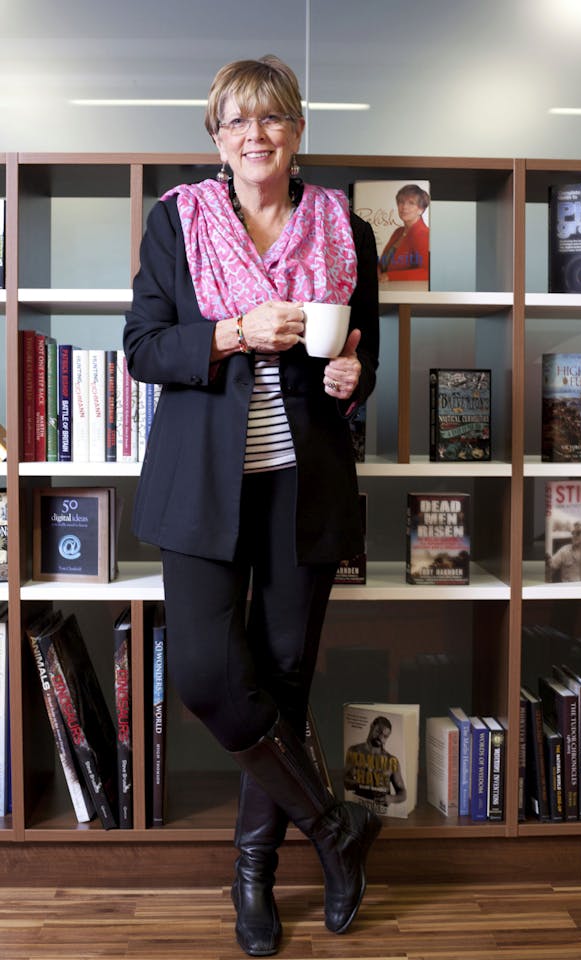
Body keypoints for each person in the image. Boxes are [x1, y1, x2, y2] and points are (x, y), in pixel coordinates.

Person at [123, 55, 380, 958]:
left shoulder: (345, 228)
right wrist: (235, 331)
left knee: (282, 685)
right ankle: (338, 831)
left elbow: (363, 353)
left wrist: (354, 376)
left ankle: (254, 876)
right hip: (200, 487)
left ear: (298, 130)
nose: (255, 136)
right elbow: (143, 348)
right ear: (218, 138)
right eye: (236, 122)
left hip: (303, 489)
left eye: (271, 119)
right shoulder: (176, 223)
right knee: (205, 674)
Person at [343, 716, 407, 812]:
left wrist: (390, 798)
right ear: (371, 726)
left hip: (381, 814)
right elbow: (345, 781)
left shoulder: (391, 761)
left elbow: (402, 793)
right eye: (378, 731)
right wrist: (360, 783)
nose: (380, 737)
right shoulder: (354, 751)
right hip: (358, 810)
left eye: (385, 736)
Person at [378, 183, 430, 283]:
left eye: (411, 203)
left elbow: (427, 272)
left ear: (421, 209)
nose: (404, 207)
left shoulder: (423, 234)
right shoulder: (399, 232)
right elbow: (383, 263)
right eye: (401, 202)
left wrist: (389, 276)